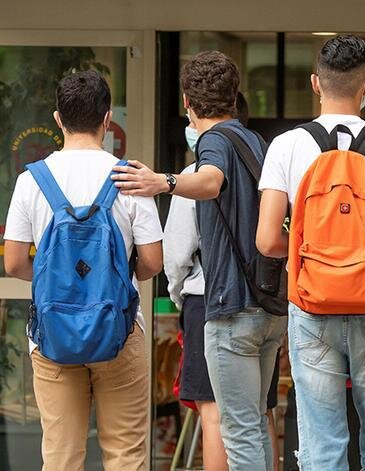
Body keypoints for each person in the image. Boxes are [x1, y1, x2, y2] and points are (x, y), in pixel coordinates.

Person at [256, 35, 365, 470]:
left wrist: (311, 258)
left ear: (316, 83)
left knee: (323, 445)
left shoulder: (286, 146)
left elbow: (266, 240)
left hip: (312, 307)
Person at [111, 51, 288, 470]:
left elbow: (210, 181)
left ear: (187, 102)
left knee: (236, 427)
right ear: (235, 95)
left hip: (229, 307)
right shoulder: (254, 142)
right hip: (267, 304)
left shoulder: (213, 142)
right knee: (258, 424)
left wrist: (163, 181)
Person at [3, 70, 163, 470]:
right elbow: (152, 262)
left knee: (60, 454)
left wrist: (56, 281)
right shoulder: (129, 177)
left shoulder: (31, 181)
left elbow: (14, 262)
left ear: (58, 119)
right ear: (108, 120)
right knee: (125, 453)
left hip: (52, 336)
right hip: (121, 329)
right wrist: (113, 280)